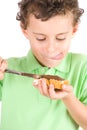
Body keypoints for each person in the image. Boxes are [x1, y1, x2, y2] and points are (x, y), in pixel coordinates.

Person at [0, 0, 87, 130]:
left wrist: (68, 98)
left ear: (74, 30)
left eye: (60, 38)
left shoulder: (81, 67)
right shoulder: (7, 69)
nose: (51, 49)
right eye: (41, 38)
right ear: (25, 31)